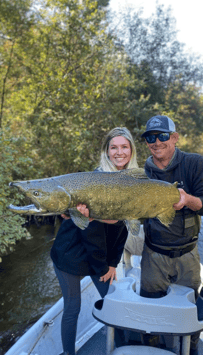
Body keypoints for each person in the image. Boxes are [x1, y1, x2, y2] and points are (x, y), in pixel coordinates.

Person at [50, 127, 139, 355]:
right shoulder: (96, 179)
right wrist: (104, 265)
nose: (119, 152)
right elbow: (92, 235)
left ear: (131, 149)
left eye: (124, 146)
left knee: (112, 301)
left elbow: (122, 229)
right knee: (72, 307)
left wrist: (112, 263)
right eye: (114, 147)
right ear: (106, 151)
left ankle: (125, 347)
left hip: (99, 254)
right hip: (70, 252)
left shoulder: (133, 180)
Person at [140, 115, 203, 355]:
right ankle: (154, 347)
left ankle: (190, 345)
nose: (157, 142)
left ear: (174, 138)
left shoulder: (195, 164)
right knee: (150, 309)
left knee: (188, 311)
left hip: (187, 254)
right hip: (153, 253)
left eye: (163, 136)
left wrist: (188, 200)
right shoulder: (142, 174)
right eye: (151, 137)